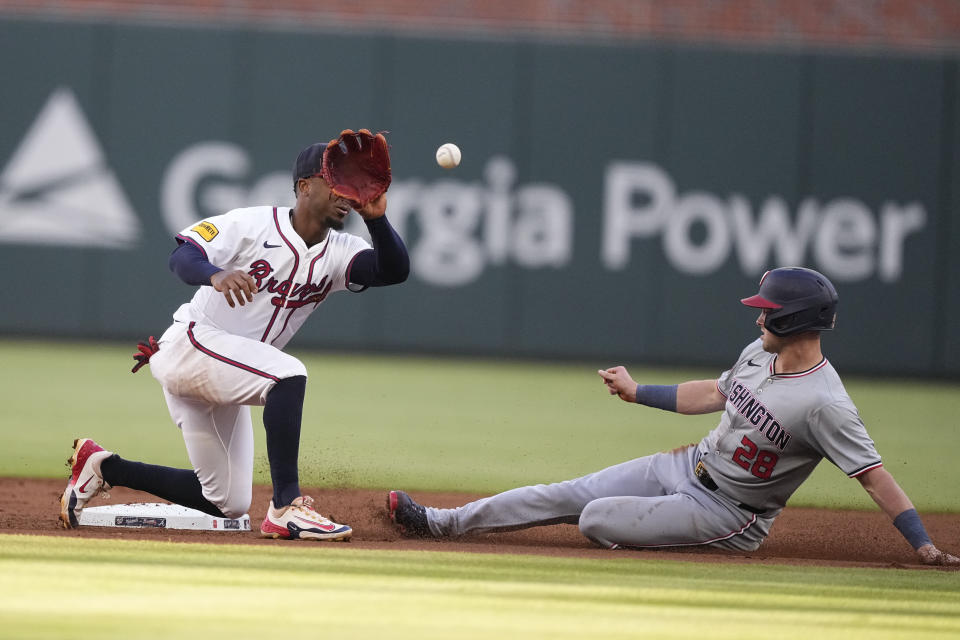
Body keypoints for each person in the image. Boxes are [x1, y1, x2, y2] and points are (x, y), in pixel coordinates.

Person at [387, 267, 959, 565]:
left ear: (795, 319)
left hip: (731, 515)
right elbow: (714, 393)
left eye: (767, 312)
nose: (757, 319)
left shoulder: (826, 403)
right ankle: (441, 523)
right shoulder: (760, 355)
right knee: (565, 493)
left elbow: (872, 474)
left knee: (595, 518)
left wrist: (922, 544)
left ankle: (654, 536)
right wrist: (639, 393)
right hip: (687, 466)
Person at [60, 138, 409, 541]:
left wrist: (378, 220)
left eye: (350, 184)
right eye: (335, 180)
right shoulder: (254, 225)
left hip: (228, 371)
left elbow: (392, 270)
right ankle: (286, 508)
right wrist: (215, 273)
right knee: (287, 374)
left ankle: (102, 467)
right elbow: (183, 254)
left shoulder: (339, 251)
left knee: (227, 501)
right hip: (194, 345)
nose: (345, 192)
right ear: (304, 186)